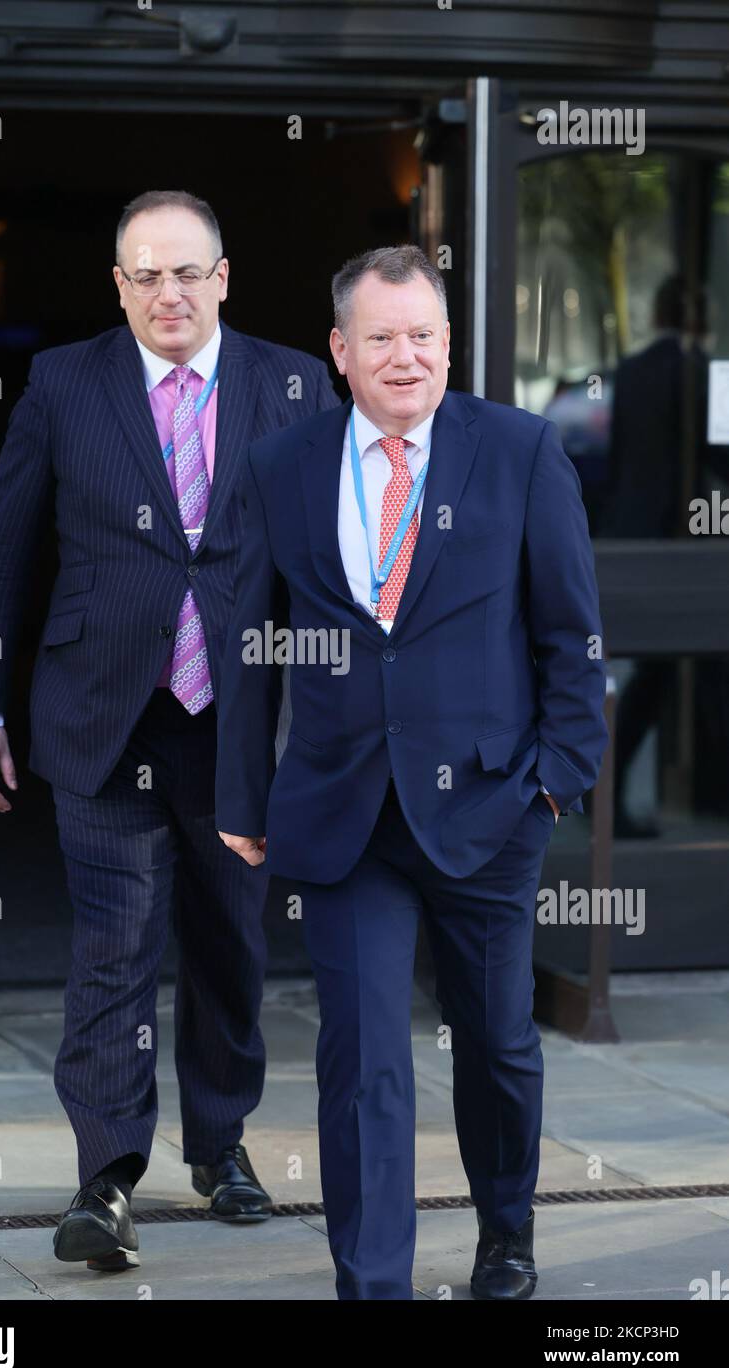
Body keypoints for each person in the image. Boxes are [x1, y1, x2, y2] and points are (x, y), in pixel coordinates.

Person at [0, 189, 340, 1272]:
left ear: (223, 277)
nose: (166, 292)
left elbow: (327, 561)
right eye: (143, 274)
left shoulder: (292, 384)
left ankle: (220, 1146)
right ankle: (105, 1178)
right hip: (100, 709)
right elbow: (2, 549)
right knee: (112, 947)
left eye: (185, 272)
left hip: (236, 718)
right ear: (117, 285)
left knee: (228, 944)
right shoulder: (64, 381)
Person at [215, 244, 608, 1300]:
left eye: (423, 336)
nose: (405, 357)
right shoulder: (280, 465)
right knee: (362, 1062)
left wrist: (554, 778)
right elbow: (245, 643)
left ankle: (506, 1234)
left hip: (489, 804)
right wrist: (239, 796)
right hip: (343, 815)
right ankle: (373, 1282)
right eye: (380, 337)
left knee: (495, 1043)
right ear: (339, 351)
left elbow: (569, 632)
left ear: (448, 343)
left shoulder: (518, 451)